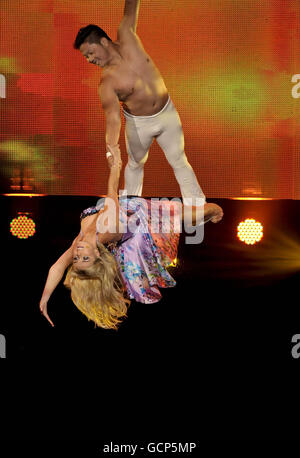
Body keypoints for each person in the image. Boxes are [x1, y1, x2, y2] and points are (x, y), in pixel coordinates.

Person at [39, 146, 223, 330]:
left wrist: (45, 298)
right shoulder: (109, 231)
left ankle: (203, 216)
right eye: (84, 258)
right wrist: (115, 165)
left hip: (119, 211)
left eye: (77, 259)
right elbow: (112, 193)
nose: (77, 254)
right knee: (182, 215)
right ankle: (212, 211)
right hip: (136, 219)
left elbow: (56, 267)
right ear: (96, 254)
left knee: (181, 216)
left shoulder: (79, 245)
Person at [73, 0, 206, 205]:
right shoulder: (106, 83)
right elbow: (112, 118)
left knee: (179, 160)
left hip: (167, 112)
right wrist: (112, 148)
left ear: (103, 42)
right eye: (85, 57)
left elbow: (131, 5)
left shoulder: (127, 35)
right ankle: (130, 209)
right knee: (135, 164)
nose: (89, 59)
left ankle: (199, 209)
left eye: (90, 53)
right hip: (138, 124)